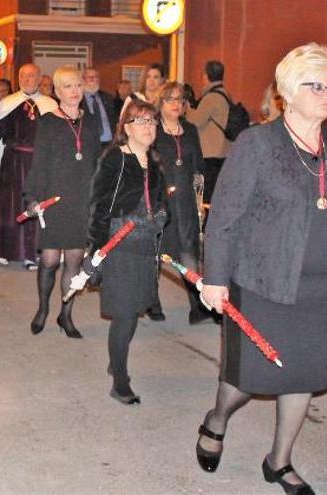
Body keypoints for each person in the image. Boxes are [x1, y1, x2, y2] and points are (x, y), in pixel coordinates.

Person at [196, 43, 327, 495]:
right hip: (266, 281)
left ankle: (279, 461)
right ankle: (217, 418)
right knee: (251, 376)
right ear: (288, 90)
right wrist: (215, 279)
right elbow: (225, 215)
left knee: (302, 373)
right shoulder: (258, 144)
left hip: (320, 288)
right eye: (316, 85)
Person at [87, 99, 167, 404]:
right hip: (118, 245)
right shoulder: (115, 159)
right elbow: (97, 206)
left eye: (153, 122)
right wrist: (96, 251)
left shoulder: (155, 160)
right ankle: (120, 379)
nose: (149, 128)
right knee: (123, 315)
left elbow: (160, 202)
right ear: (127, 128)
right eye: (142, 122)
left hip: (145, 246)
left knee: (134, 311)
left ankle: (115, 361)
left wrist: (161, 216)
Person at [24, 66, 100, 339]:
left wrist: (100, 198)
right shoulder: (47, 122)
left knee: (75, 261)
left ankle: (65, 314)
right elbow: (39, 163)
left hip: (82, 199)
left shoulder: (91, 122)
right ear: (56, 92)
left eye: (78, 85)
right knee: (49, 259)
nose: (75, 90)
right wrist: (32, 197)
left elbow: (96, 161)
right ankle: (43, 309)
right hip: (54, 199)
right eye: (67, 86)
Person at [0, 64, 57, 268]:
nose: (27, 79)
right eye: (23, 76)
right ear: (18, 78)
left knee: (36, 206)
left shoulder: (50, 105)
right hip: (12, 164)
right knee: (11, 207)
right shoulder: (8, 103)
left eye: (32, 76)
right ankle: (9, 250)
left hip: (39, 163)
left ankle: (33, 253)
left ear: (39, 78)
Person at [153, 82, 214, 325]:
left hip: (186, 201)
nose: (176, 104)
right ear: (160, 103)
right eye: (170, 100)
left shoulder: (189, 130)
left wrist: (198, 175)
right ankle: (151, 302)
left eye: (180, 99)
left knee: (189, 252)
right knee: (156, 252)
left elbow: (199, 162)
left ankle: (198, 305)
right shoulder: (153, 130)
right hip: (160, 200)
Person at [186, 60, 232, 202]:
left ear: (206, 76)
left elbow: (197, 120)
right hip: (222, 150)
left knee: (206, 192)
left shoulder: (211, 97)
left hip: (211, 152)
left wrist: (187, 109)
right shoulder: (225, 94)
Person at [81, 68, 118, 148]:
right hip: (88, 143)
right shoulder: (78, 100)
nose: (93, 79)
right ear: (82, 80)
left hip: (109, 142)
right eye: (89, 77)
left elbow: (114, 119)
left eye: (96, 77)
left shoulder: (108, 97)